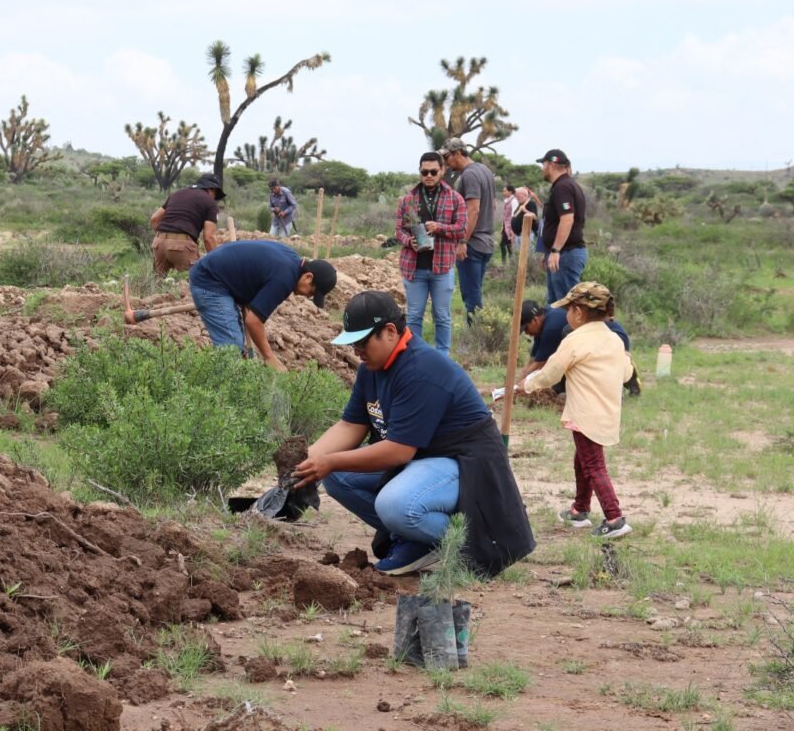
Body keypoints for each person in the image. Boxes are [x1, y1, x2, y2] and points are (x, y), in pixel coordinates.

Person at [291, 291, 536, 577]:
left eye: (361, 342)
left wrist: (331, 461)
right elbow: (351, 426)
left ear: (390, 332)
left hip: (465, 464)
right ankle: (415, 539)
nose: (356, 351)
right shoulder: (371, 368)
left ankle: (476, 542)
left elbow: (398, 451)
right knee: (334, 477)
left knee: (395, 504)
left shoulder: (421, 370)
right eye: (352, 344)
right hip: (421, 461)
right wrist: (305, 464)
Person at [521, 282, 633, 540]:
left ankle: (614, 518)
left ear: (579, 313)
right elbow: (626, 372)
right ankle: (580, 509)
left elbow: (550, 374)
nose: (566, 315)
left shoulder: (574, 340)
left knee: (593, 464)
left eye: (569, 310)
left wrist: (526, 384)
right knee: (583, 459)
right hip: (607, 411)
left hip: (585, 413)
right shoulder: (613, 339)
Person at [188, 240, 337, 372]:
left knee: (236, 347)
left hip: (217, 274)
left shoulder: (292, 260)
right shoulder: (284, 280)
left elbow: (255, 280)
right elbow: (253, 321)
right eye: (312, 291)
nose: (309, 296)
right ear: (308, 276)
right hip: (209, 281)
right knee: (231, 349)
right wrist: (269, 357)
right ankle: (221, 397)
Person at [395, 152, 466, 356]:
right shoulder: (408, 200)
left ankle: (442, 357)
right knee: (414, 316)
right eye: (424, 171)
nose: (429, 175)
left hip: (442, 268)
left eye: (433, 171)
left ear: (442, 171)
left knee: (442, 316)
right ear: (420, 171)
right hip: (414, 268)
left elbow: (461, 229)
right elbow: (399, 230)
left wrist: (440, 228)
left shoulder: (455, 199)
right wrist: (410, 241)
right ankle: (414, 356)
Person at [516, 300, 641, 396]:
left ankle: (628, 373)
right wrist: (519, 382)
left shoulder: (551, 328)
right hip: (597, 336)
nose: (526, 333)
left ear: (535, 320)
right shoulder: (542, 327)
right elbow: (533, 361)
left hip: (613, 336)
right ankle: (563, 387)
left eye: (526, 328)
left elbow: (541, 365)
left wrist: (518, 387)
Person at [440, 138, 496, 325]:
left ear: (457, 153)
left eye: (447, 157)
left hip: (472, 244)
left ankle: (476, 338)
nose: (446, 162)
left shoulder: (469, 175)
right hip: (486, 241)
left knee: (471, 296)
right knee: (475, 291)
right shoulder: (485, 171)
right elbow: (493, 205)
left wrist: (463, 241)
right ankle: (480, 334)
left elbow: (474, 209)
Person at [536, 149, 588, 304]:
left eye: (543, 164)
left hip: (566, 254)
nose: (542, 169)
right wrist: (548, 252)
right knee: (554, 305)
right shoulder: (564, 185)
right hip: (562, 254)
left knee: (567, 306)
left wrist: (555, 251)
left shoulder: (563, 187)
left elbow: (567, 219)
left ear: (551, 165)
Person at [149, 173, 224, 276]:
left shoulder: (176, 194)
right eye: (216, 194)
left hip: (159, 243)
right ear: (212, 189)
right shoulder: (210, 202)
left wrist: (165, 239)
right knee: (192, 282)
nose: (214, 198)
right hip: (182, 246)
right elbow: (208, 238)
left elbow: (154, 219)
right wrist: (219, 262)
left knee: (159, 286)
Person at [499, 184, 519, 264]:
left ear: (510, 191)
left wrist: (512, 229)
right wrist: (502, 227)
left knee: (507, 245)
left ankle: (510, 262)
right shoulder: (507, 201)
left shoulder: (514, 201)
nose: (503, 192)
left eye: (505, 191)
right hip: (505, 227)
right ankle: (507, 262)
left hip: (510, 227)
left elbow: (514, 216)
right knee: (505, 244)